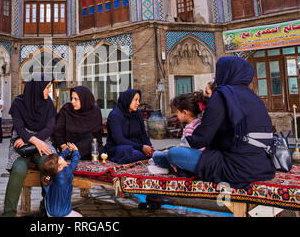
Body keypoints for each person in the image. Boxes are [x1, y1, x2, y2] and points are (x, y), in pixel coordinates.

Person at [165, 56, 276, 189]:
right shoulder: (254, 97)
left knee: (173, 154)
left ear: (227, 72)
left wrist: (181, 146)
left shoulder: (222, 95)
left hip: (237, 168)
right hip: (264, 166)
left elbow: (202, 138)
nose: (216, 77)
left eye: (219, 72)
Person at [2, 74, 57, 217]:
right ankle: (8, 213)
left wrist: (32, 139)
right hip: (20, 144)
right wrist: (30, 140)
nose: (49, 91)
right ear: (37, 88)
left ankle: (46, 207)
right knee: (19, 169)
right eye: (47, 87)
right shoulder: (18, 103)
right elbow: (19, 128)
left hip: (41, 140)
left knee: (49, 165)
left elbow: (49, 128)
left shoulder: (49, 104)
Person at [149, 91, 206, 175]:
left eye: (177, 112)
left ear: (185, 113)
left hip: (191, 158)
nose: (175, 114)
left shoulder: (190, 128)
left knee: (157, 156)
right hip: (201, 157)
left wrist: (169, 151)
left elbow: (184, 150)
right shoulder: (201, 121)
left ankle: (169, 169)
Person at [53, 86, 104, 159]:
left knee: (99, 148)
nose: (72, 101)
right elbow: (58, 131)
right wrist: (63, 145)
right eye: (72, 98)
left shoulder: (95, 111)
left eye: (76, 99)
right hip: (69, 147)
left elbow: (98, 136)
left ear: (84, 100)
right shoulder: (66, 110)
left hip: (89, 146)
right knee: (90, 142)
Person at [105, 89, 154, 164]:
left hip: (137, 146)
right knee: (127, 151)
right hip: (119, 147)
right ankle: (144, 155)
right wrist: (141, 147)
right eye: (135, 100)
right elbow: (119, 140)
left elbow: (144, 134)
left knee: (147, 152)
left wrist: (149, 147)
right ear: (127, 99)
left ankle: (146, 154)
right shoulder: (115, 115)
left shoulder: (137, 113)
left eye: (139, 100)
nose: (138, 103)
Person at [41, 142, 82, 217]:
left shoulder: (50, 173)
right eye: (60, 158)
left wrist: (67, 150)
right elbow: (74, 163)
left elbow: (58, 158)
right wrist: (76, 151)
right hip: (62, 213)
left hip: (50, 211)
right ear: (59, 167)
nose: (61, 157)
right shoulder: (64, 175)